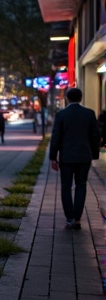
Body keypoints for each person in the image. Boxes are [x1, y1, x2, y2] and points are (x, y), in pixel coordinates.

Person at [49, 87, 101, 230]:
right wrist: (94, 154)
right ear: (81, 98)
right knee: (81, 185)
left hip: (66, 157)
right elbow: (95, 136)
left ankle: (70, 218)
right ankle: (77, 218)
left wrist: (53, 157)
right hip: (84, 156)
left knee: (66, 186)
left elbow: (56, 137)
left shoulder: (61, 115)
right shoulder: (89, 114)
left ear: (67, 98)